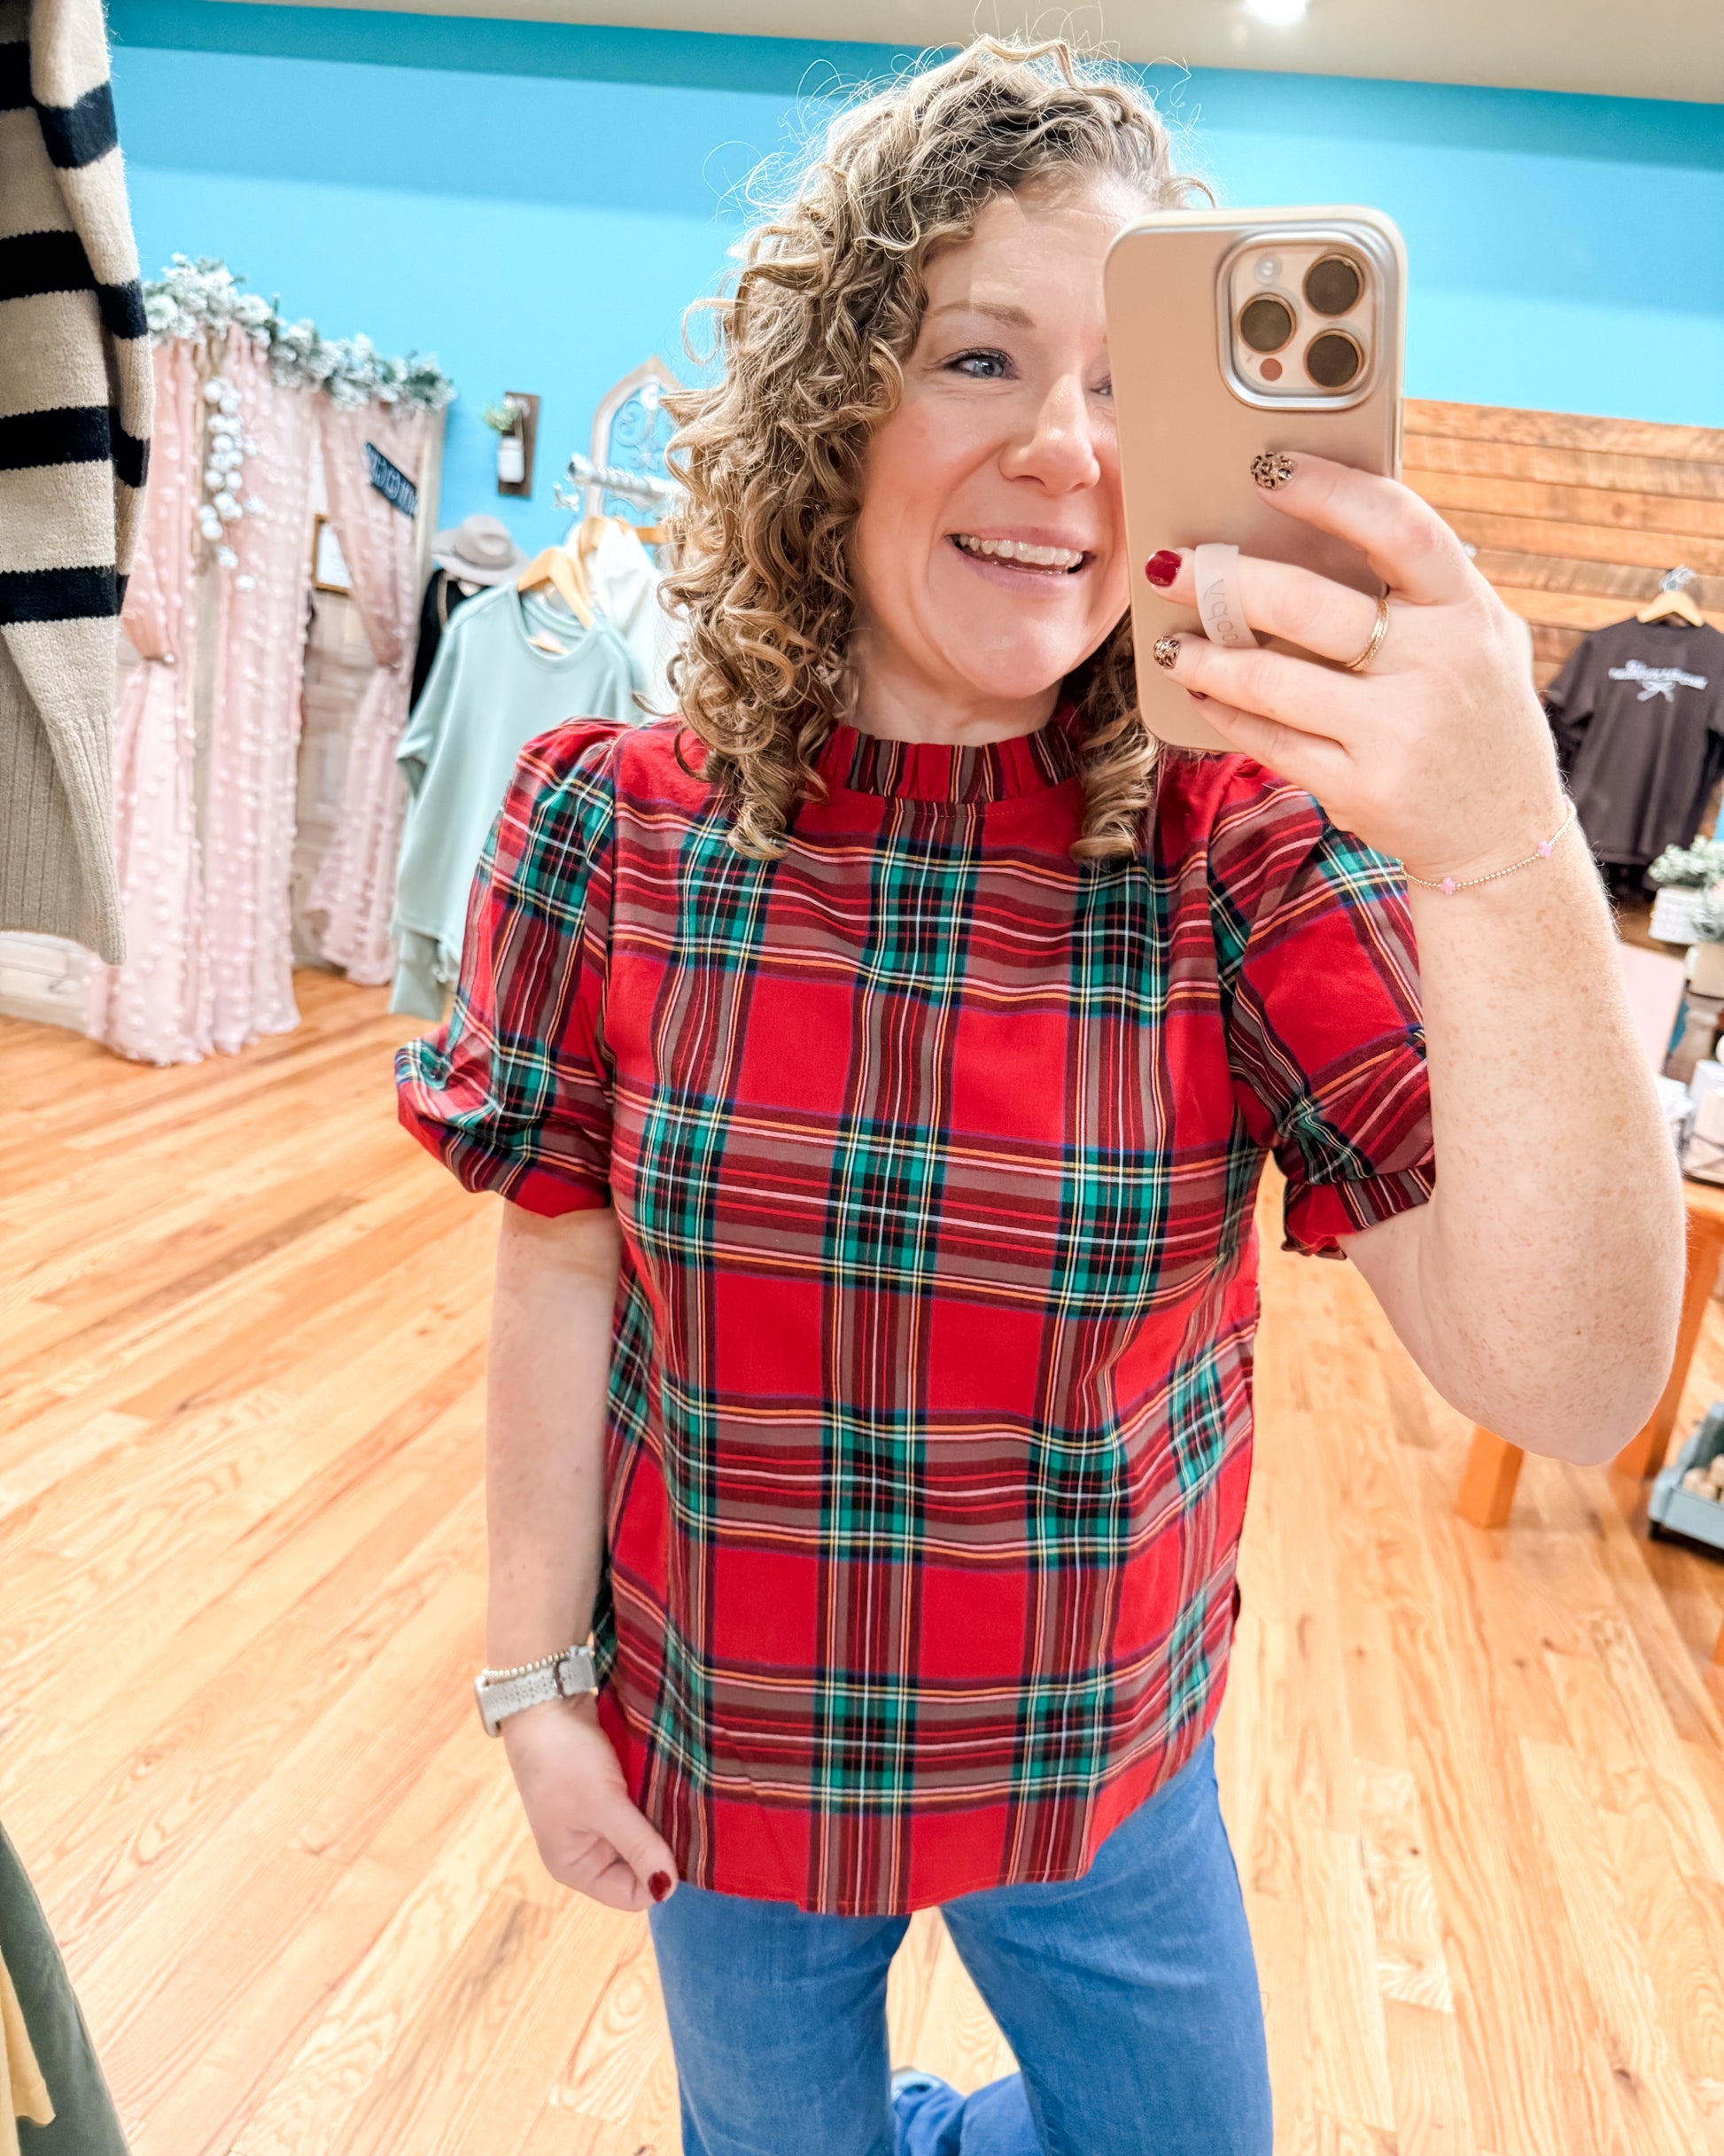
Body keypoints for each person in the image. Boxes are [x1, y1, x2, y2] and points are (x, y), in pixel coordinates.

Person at [396, 39, 1682, 2156]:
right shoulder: (605, 827)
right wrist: (532, 1686)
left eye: (1126, 389)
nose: (1068, 454)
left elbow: (1574, 1374)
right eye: (980, 357)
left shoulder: (1238, 854)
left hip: (1099, 1750)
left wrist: (1501, 845)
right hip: (729, 1737)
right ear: (834, 407)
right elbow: (561, 1278)